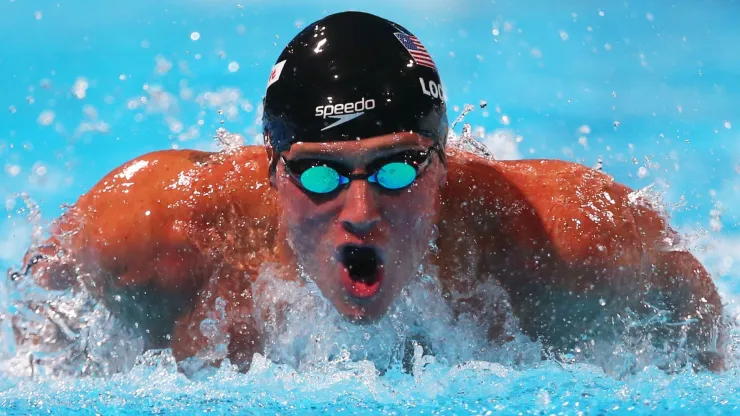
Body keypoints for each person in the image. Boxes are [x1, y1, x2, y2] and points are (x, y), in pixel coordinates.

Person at [17, 11, 725, 373]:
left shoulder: (564, 239)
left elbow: (700, 333)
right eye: (320, 175)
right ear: (273, 172)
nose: (360, 214)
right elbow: (29, 345)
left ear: (444, 166)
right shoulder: (149, 230)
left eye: (396, 171)